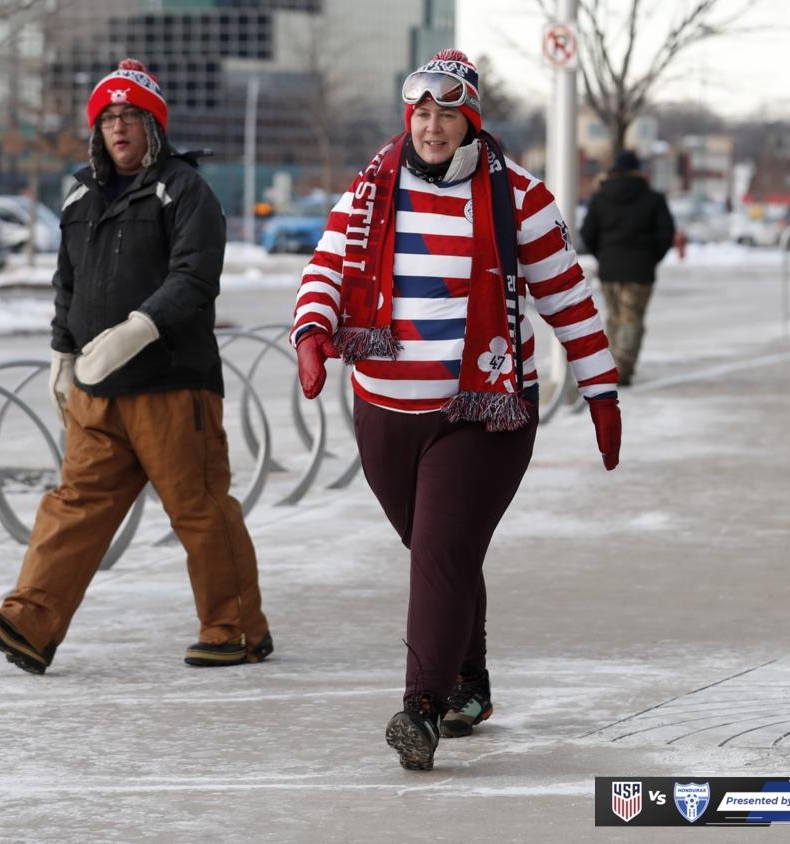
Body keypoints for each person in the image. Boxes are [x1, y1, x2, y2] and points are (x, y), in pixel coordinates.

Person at [290, 50, 621, 771]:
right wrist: (313, 331)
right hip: (383, 408)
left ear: (470, 119)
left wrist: (601, 391)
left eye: (446, 112)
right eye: (421, 111)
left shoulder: (522, 199)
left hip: (484, 412)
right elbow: (326, 265)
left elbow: (568, 299)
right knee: (440, 553)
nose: (431, 126)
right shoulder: (374, 186)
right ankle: (470, 682)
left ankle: (422, 710)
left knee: (439, 551)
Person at [0, 59, 272, 674]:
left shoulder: (184, 189)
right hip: (97, 387)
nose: (119, 127)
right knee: (74, 504)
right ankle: (31, 619)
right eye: (108, 117)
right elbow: (67, 280)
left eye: (131, 115)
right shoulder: (80, 191)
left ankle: (237, 628)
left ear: (153, 124)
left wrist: (139, 328)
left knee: (199, 508)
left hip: (171, 385)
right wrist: (61, 349)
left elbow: (194, 277)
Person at [579, 149, 675, 386]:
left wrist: (603, 255)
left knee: (614, 318)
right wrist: (652, 257)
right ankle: (623, 368)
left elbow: (587, 233)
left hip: (610, 268)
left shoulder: (600, 197)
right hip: (640, 269)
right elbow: (666, 233)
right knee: (632, 319)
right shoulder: (653, 198)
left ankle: (614, 366)